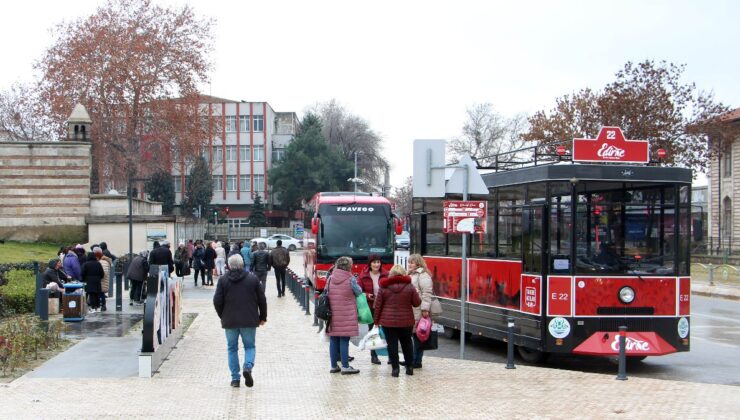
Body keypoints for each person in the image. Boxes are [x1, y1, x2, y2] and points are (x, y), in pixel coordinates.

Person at [213, 254, 267, 388]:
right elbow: (262, 299)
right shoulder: (252, 279)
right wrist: (263, 317)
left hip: (229, 320)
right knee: (249, 346)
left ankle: (235, 379)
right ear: (242, 264)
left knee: (232, 348)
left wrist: (222, 315)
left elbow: (217, 301)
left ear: (229, 265)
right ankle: (247, 367)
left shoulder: (223, 280)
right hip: (249, 319)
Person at [374, 264, 421, 377]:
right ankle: (409, 367)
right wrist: (417, 294)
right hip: (406, 322)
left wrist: (376, 321)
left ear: (391, 274)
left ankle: (395, 369)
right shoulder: (410, 287)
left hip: (388, 322)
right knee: (407, 344)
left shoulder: (383, 287)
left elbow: (378, 306)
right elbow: (416, 303)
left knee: (392, 345)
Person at [326, 256, 363, 375]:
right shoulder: (350, 279)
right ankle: (345, 366)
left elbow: (326, 292)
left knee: (333, 339)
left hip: (332, 313)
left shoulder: (331, 278)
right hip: (347, 314)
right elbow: (359, 292)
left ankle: (333, 366)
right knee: (344, 339)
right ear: (349, 266)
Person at [357, 254, 388, 365]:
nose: (376, 264)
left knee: (388, 331)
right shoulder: (363, 275)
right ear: (370, 264)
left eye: (378, 262)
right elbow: (358, 291)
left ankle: (390, 355)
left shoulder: (386, 274)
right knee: (373, 331)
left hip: (384, 307)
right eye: (374, 262)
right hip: (371, 307)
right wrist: (366, 295)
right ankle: (374, 356)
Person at [408, 253, 434, 369]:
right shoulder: (412, 274)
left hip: (419, 310)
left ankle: (416, 360)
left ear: (418, 263)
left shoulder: (423, 275)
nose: (409, 264)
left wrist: (425, 309)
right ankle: (413, 359)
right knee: (415, 335)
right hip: (412, 309)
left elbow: (427, 293)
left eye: (411, 262)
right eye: (409, 262)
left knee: (419, 335)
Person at [95, 247, 112, 311]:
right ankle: (102, 305)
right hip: (102, 280)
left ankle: (102, 306)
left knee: (101, 293)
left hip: (102, 281)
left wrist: (97, 276)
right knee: (101, 294)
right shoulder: (103, 261)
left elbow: (104, 273)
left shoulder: (103, 262)